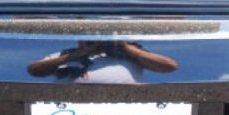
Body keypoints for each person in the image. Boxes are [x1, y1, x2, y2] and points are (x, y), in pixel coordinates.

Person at [27, 40, 178, 83]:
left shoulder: (130, 55)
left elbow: (169, 66)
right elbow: (34, 71)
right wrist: (76, 55)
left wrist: (126, 47)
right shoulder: (64, 55)